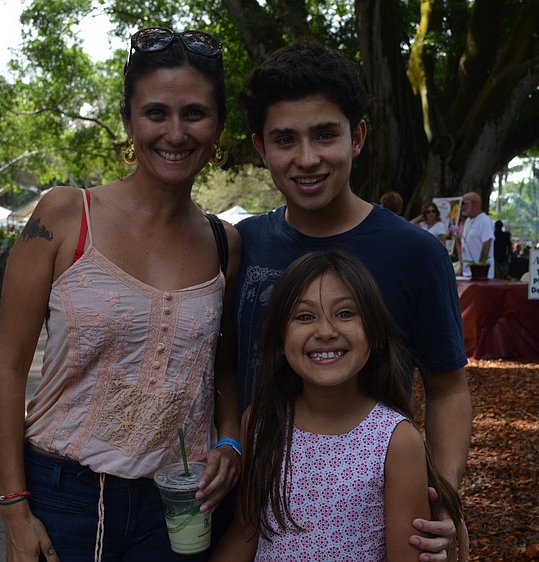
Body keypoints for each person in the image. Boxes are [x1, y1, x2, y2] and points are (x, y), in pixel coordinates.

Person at [0, 27, 243, 562]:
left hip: (178, 503)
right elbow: (9, 368)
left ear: (217, 127)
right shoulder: (64, 217)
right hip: (64, 497)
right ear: (128, 121)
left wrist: (229, 438)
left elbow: (220, 366)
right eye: (156, 113)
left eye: (195, 113)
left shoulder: (226, 243)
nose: (175, 133)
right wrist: (15, 509)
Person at [234, 40, 471, 559]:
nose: (307, 158)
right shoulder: (242, 245)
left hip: (371, 505)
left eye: (325, 134)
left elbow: (448, 388)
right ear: (261, 148)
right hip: (253, 505)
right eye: (285, 139)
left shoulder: (415, 253)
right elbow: (224, 367)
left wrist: (444, 496)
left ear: (357, 136)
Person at [211, 250, 466, 561]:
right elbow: (245, 532)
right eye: (305, 316)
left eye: (345, 313)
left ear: (374, 334)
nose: (326, 331)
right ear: (279, 340)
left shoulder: (396, 440)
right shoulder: (262, 422)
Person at [457, 191, 494, 279]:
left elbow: (486, 245)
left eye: (463, 203)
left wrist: (479, 268)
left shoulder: (484, 220)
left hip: (481, 275)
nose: (461, 207)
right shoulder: (467, 221)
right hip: (467, 274)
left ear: (473, 204)